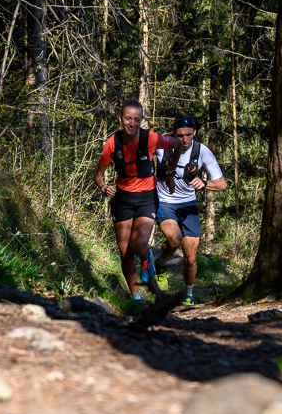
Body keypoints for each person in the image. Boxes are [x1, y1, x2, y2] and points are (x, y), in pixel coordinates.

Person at [94, 99, 183, 305]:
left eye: (136, 119)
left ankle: (146, 259)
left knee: (139, 243)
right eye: (127, 118)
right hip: (122, 198)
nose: (132, 124)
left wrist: (170, 174)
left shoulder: (150, 138)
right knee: (125, 251)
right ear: (120, 119)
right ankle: (136, 298)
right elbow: (98, 174)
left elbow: (177, 144)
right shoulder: (112, 143)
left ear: (141, 120)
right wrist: (104, 187)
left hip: (146, 197)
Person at [152, 113, 227, 306]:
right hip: (164, 201)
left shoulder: (202, 151)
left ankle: (188, 294)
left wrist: (204, 183)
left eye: (189, 135)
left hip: (188, 204)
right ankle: (160, 264)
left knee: (191, 258)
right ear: (173, 133)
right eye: (180, 135)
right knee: (174, 240)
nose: (184, 140)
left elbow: (222, 184)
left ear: (194, 133)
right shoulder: (162, 146)